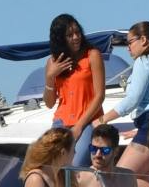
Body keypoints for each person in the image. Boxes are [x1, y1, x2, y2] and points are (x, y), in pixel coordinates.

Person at [104, 19, 149, 181]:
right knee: (147, 180)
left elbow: (133, 100)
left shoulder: (144, 61)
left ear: (143, 40)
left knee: (117, 179)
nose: (128, 47)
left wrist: (102, 119)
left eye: (130, 42)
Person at [43, 13, 105, 169]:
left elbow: (100, 96)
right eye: (70, 35)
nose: (76, 37)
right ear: (60, 39)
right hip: (61, 121)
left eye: (77, 32)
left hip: (87, 121)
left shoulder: (92, 55)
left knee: (75, 165)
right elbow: (49, 103)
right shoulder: (52, 62)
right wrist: (51, 77)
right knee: (53, 165)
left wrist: (79, 126)